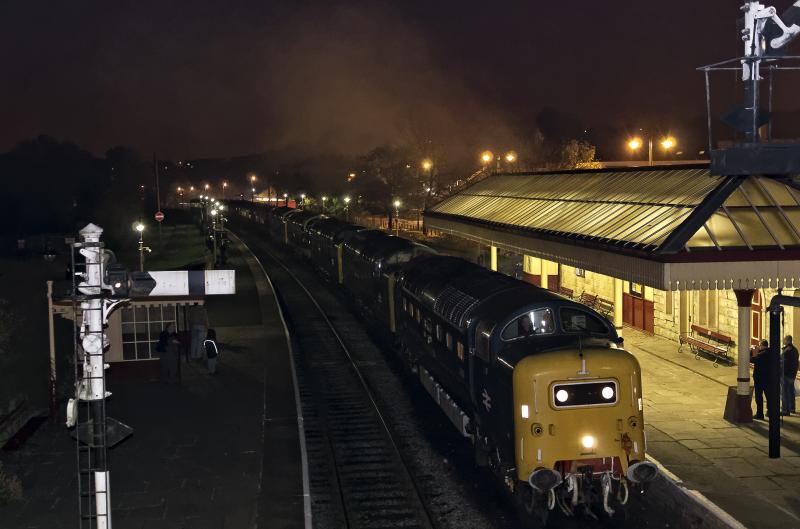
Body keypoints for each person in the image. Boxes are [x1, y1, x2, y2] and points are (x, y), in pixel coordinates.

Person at [751, 339, 770, 420]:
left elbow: (752, 359)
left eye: (759, 345)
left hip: (760, 379)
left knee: (759, 397)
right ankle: (770, 412)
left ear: (762, 346)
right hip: (768, 378)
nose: (758, 347)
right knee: (769, 396)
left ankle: (759, 414)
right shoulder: (771, 352)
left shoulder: (761, 355)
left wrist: (753, 350)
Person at [783, 335, 799, 415]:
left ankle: (786, 409)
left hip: (786, 374)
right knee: (791, 391)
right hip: (792, 374)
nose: (783, 341)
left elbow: (785, 363)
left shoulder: (787, 350)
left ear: (788, 340)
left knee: (785, 392)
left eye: (784, 340)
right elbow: (796, 364)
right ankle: (792, 408)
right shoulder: (795, 350)